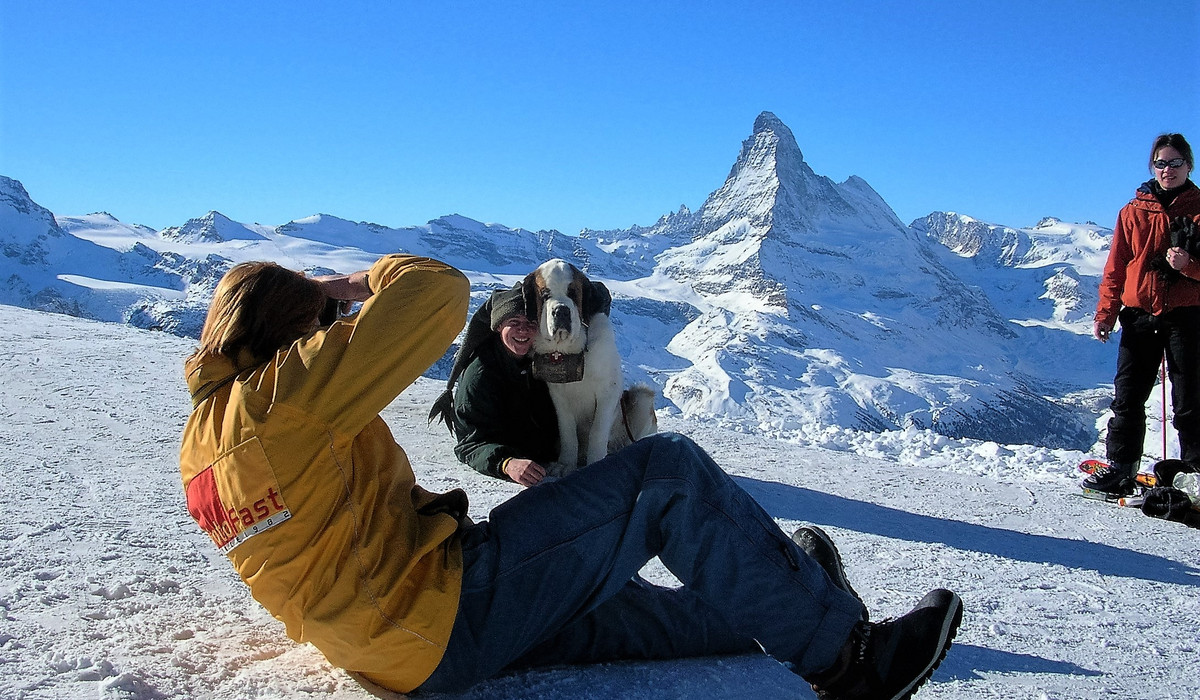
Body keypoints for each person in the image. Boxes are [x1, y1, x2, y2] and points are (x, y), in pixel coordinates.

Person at [179, 253, 964, 699]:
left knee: (619, 608)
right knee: (666, 474)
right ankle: (853, 662)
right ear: (292, 327)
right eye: (325, 323)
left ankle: (798, 590)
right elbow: (438, 293)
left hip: (389, 648)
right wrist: (348, 286)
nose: (338, 333)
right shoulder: (284, 396)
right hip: (438, 608)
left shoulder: (203, 442)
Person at [1088, 133, 1200, 495]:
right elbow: (1116, 267)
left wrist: (1189, 266)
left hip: (1188, 316)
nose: (1168, 170)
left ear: (1189, 165)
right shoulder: (1132, 212)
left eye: (1175, 162)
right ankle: (1121, 467)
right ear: (1153, 167)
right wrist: (1106, 313)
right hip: (1139, 315)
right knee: (1128, 395)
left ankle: (1196, 471)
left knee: (1190, 399)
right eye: (1161, 163)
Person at [428, 283, 559, 486]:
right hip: (515, 457)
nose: (523, 330)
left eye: (531, 323)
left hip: (548, 457)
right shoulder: (480, 374)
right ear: (499, 326)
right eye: (514, 322)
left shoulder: (540, 360)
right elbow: (469, 444)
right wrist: (507, 463)